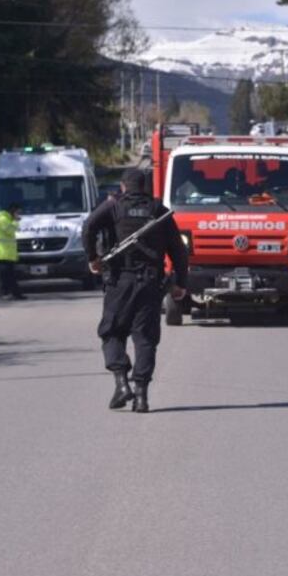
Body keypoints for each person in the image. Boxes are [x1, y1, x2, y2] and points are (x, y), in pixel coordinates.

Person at [82, 168, 189, 413]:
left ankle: (121, 383)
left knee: (111, 332)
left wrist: (93, 258)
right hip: (151, 283)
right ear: (145, 187)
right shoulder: (158, 211)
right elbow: (179, 250)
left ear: (123, 187)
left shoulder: (114, 208)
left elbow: (88, 227)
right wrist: (180, 283)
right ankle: (141, 396)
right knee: (145, 339)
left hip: (120, 281)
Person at [0, 202, 25, 300]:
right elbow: (10, 230)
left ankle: (15, 294)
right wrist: (15, 221)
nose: (18, 215)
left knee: (9, 276)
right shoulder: (3, 219)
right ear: (13, 211)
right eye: (17, 213)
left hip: (7, 254)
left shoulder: (7, 219)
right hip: (2, 254)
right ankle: (7, 294)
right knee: (6, 276)